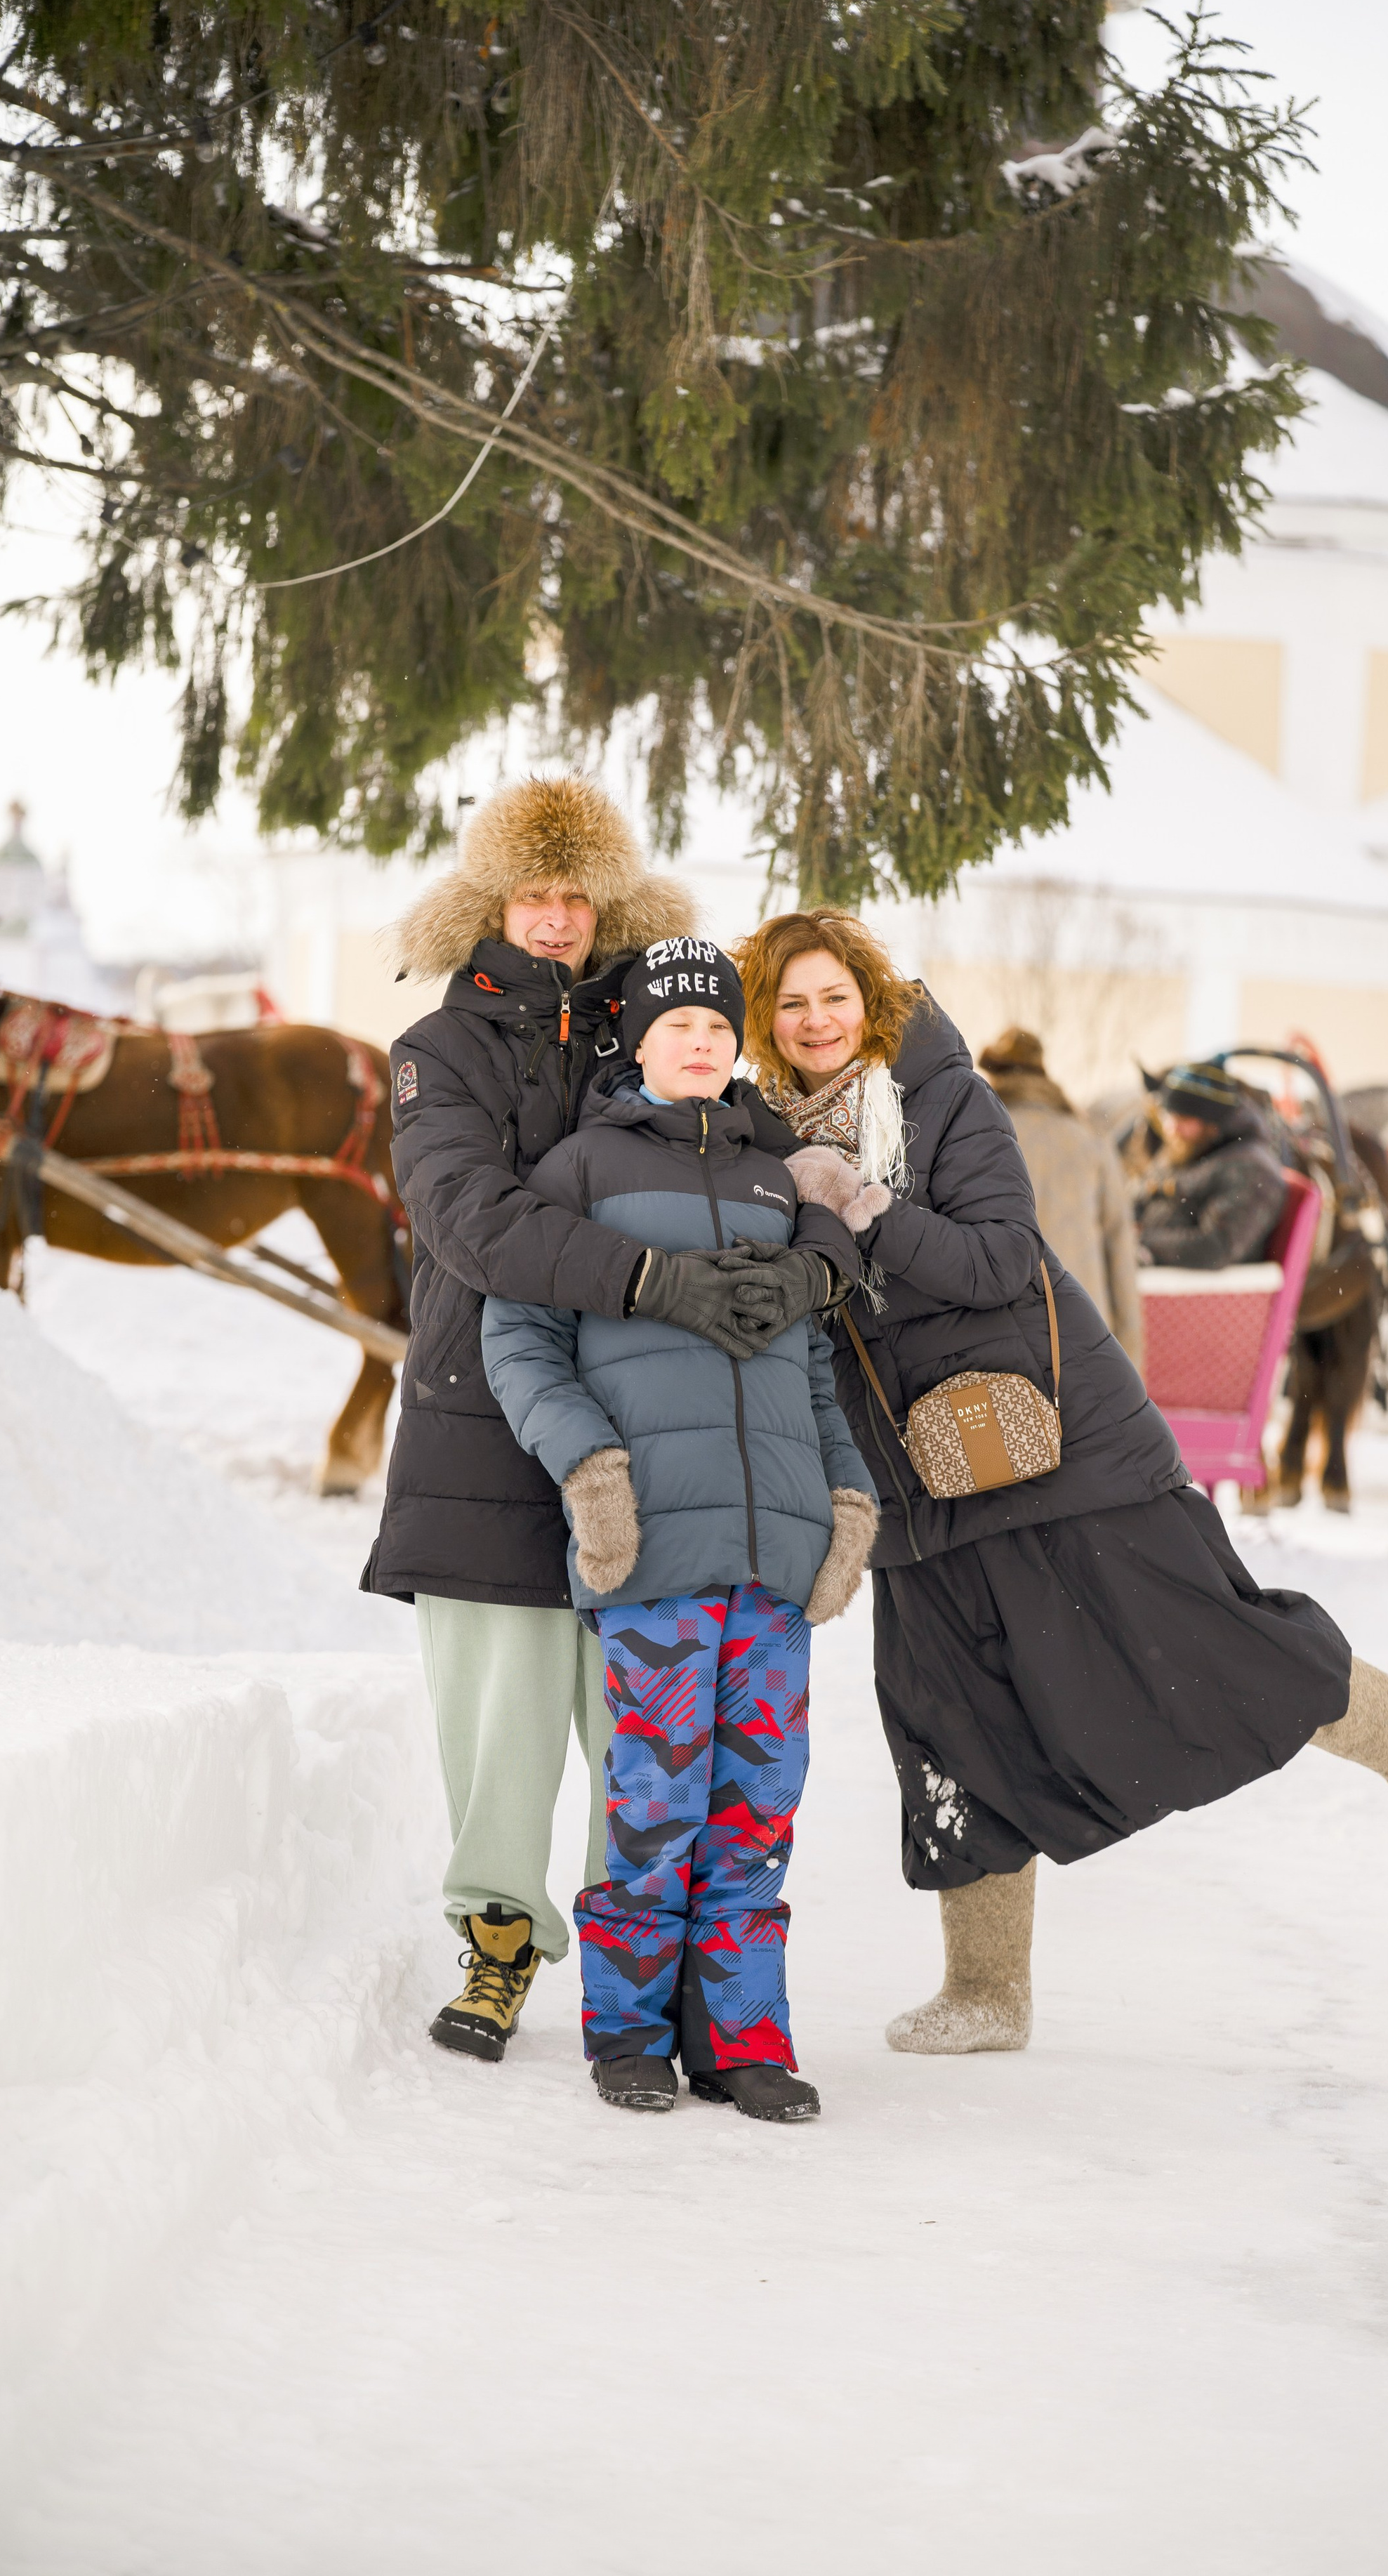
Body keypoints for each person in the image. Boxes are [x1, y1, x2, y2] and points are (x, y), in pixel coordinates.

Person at [734, 911, 1388, 2058]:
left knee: (1198, 1644)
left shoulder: (941, 1100)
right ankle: (987, 1991)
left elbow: (998, 1258)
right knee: (949, 1713)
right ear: (763, 1021)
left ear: (869, 1000)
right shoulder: (755, 1142)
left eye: (835, 995)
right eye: (790, 1004)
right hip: (911, 1471)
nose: (816, 1020)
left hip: (1052, 1436)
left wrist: (864, 1209)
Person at [364, 780, 859, 2066]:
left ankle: (641, 1975)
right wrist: (650, 1278)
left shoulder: (641, 1023)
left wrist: (816, 1257)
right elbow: (471, 1221)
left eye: (577, 896)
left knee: (642, 1723)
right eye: (533, 893)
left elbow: (756, 1159)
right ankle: (497, 1941)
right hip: (486, 1414)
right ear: (491, 901)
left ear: (607, 905)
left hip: (647, 1426)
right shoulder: (437, 1051)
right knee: (503, 1717)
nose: (555, 917)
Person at [481, 939, 878, 2122]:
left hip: (776, 1556)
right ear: (639, 1042)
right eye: (677, 1026)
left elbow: (812, 1369)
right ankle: (628, 2035)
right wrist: (591, 1471)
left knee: (758, 1812)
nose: (701, 1043)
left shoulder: (775, 1182)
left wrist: (847, 1498)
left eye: (717, 1027)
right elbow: (520, 1340)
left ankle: (743, 2043)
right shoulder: (579, 1169)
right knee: (654, 1806)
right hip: (654, 1549)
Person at [977, 1026, 1144, 1369]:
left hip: (1000, 1328)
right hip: (1084, 1325)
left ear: (995, 1075)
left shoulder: (977, 1137)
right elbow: (1119, 1248)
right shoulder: (1088, 1138)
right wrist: (1130, 1357)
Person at [1134, 1063, 1290, 1270]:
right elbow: (1148, 1192)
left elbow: (1215, 1249)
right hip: (1157, 1266)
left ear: (1212, 1124)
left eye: (1184, 1118)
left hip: (1202, 1284)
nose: (1172, 1128)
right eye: (1169, 1116)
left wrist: (1141, 1240)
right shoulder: (1190, 1148)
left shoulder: (1251, 1170)